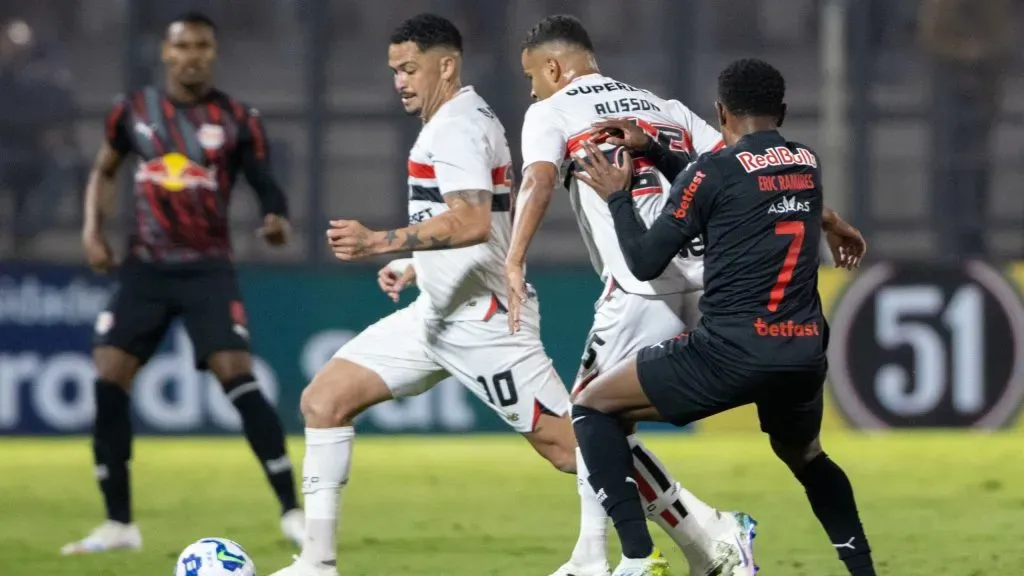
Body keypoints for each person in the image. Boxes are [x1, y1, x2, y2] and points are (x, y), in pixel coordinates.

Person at [270, 14, 582, 576]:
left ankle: (703, 525)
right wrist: (415, 263)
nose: (400, 81)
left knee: (573, 451)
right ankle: (316, 563)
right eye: (394, 71)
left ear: (447, 65)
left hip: (483, 322)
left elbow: (472, 220)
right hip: (436, 315)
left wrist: (378, 241)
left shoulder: (457, 127)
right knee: (325, 399)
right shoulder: (457, 118)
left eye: (409, 68)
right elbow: (470, 219)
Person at [569, 58, 875, 576]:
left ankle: (637, 558)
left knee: (592, 407)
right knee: (807, 457)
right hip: (801, 352)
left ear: (720, 112)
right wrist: (657, 151)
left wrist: (618, 198)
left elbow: (645, 261)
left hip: (728, 353)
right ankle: (863, 570)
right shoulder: (806, 162)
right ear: (781, 110)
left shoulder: (714, 172)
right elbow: (729, 193)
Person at [510, 14, 756, 576]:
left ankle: (631, 554)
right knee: (608, 418)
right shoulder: (660, 107)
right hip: (708, 281)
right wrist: (832, 220)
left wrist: (514, 256)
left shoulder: (551, 111)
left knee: (588, 413)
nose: (530, 88)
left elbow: (538, 180)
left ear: (553, 67)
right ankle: (677, 543)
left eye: (532, 76)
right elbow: (746, 165)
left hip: (646, 287)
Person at [63, 11, 303, 555]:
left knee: (236, 376)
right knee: (108, 374)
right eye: (183, 45)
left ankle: (293, 511)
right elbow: (104, 170)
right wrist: (92, 232)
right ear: (166, 52)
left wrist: (274, 218)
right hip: (146, 266)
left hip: (207, 266)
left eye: (202, 45)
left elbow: (267, 185)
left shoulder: (237, 118)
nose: (192, 54)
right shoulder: (133, 111)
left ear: (213, 53)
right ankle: (119, 524)